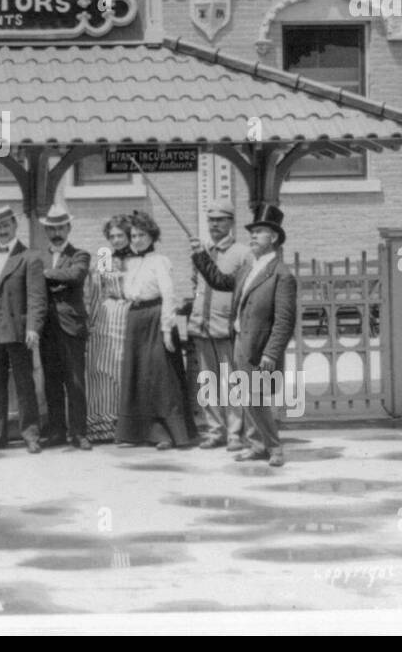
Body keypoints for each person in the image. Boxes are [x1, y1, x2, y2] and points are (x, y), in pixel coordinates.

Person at [191, 203, 296, 468]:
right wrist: (201, 256)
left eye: (259, 232)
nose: (252, 236)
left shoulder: (282, 274)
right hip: (240, 341)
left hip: (260, 347)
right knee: (249, 397)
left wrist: (272, 352)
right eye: (252, 232)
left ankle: (274, 448)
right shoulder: (249, 268)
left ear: (273, 238)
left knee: (257, 397)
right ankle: (259, 446)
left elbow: (284, 321)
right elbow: (219, 281)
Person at [116, 210, 196, 450]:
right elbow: (104, 270)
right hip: (135, 317)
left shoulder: (160, 260)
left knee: (161, 377)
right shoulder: (126, 262)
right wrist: (111, 248)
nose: (137, 240)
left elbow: (169, 294)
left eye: (142, 235)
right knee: (137, 374)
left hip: (156, 317)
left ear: (152, 236)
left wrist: (166, 328)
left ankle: (169, 434)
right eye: (133, 236)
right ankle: (136, 433)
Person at [180, 199, 252, 453]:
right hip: (203, 326)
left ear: (231, 222)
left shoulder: (243, 253)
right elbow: (196, 286)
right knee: (208, 381)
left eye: (221, 220)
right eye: (211, 220)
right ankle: (214, 430)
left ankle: (234, 433)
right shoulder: (202, 252)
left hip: (228, 327)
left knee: (232, 381)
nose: (215, 225)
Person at [0, 205, 46, 453]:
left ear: (15, 225)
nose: (2, 231)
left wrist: (33, 327)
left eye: (5, 226)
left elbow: (37, 297)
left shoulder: (30, 257)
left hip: (17, 330)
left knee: (25, 384)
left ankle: (30, 434)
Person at [38, 208, 92, 450]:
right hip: (46, 328)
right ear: (46, 230)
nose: (56, 233)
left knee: (75, 382)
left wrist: (47, 275)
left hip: (71, 326)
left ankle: (80, 433)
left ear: (69, 229)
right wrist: (55, 279)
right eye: (52, 228)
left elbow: (76, 275)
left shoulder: (80, 254)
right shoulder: (38, 256)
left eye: (60, 228)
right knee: (52, 382)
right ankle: (57, 432)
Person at [85, 214, 133, 443]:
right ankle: (103, 425)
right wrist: (91, 322)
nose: (115, 240)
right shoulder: (104, 256)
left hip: (130, 317)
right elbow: (96, 290)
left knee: (126, 370)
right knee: (103, 371)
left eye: (120, 235)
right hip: (106, 317)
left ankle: (128, 425)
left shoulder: (138, 257)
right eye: (111, 236)